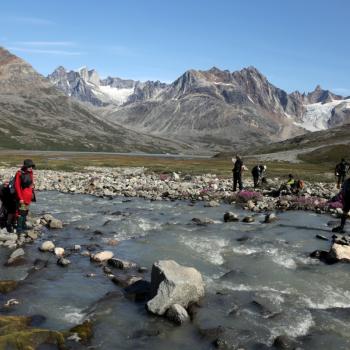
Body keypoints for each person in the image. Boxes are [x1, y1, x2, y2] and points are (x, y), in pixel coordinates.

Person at [14, 159, 36, 233]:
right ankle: (19, 228)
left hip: (28, 196)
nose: (31, 168)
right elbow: (17, 187)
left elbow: (31, 182)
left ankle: (23, 225)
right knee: (21, 212)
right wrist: (20, 198)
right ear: (25, 166)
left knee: (25, 211)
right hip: (22, 197)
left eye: (32, 166)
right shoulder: (19, 173)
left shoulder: (30, 172)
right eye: (29, 166)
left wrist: (32, 188)